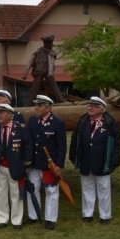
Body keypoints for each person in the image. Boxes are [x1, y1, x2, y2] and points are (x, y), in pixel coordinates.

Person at [69, 96, 120, 225]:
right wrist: (74, 157)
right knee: (87, 189)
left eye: (94, 106)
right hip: (86, 161)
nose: (90, 108)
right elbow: (74, 140)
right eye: (89, 106)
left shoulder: (110, 123)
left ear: (101, 109)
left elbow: (118, 144)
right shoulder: (83, 122)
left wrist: (114, 162)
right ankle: (88, 214)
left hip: (103, 162)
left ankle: (105, 216)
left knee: (103, 189)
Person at [0, 103, 33, 229]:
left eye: (1, 113)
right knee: (0, 193)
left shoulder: (21, 128)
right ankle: (2, 219)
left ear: (10, 114)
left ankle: (17, 220)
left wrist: (25, 164)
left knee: (16, 194)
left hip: (15, 166)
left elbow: (28, 147)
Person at [26, 95, 67, 230]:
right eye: (36, 105)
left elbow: (62, 147)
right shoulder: (32, 121)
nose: (37, 107)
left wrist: (59, 165)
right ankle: (33, 215)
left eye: (40, 105)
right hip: (34, 163)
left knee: (51, 191)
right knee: (32, 190)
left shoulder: (57, 123)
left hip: (49, 165)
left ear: (48, 107)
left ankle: (50, 218)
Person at [21, 33, 65, 106]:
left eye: (50, 43)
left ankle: (62, 103)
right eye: (48, 43)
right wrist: (25, 74)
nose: (49, 45)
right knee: (34, 89)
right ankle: (27, 105)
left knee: (55, 89)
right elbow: (30, 63)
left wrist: (50, 73)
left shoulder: (51, 53)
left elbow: (51, 64)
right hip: (39, 72)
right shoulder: (38, 52)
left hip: (48, 74)